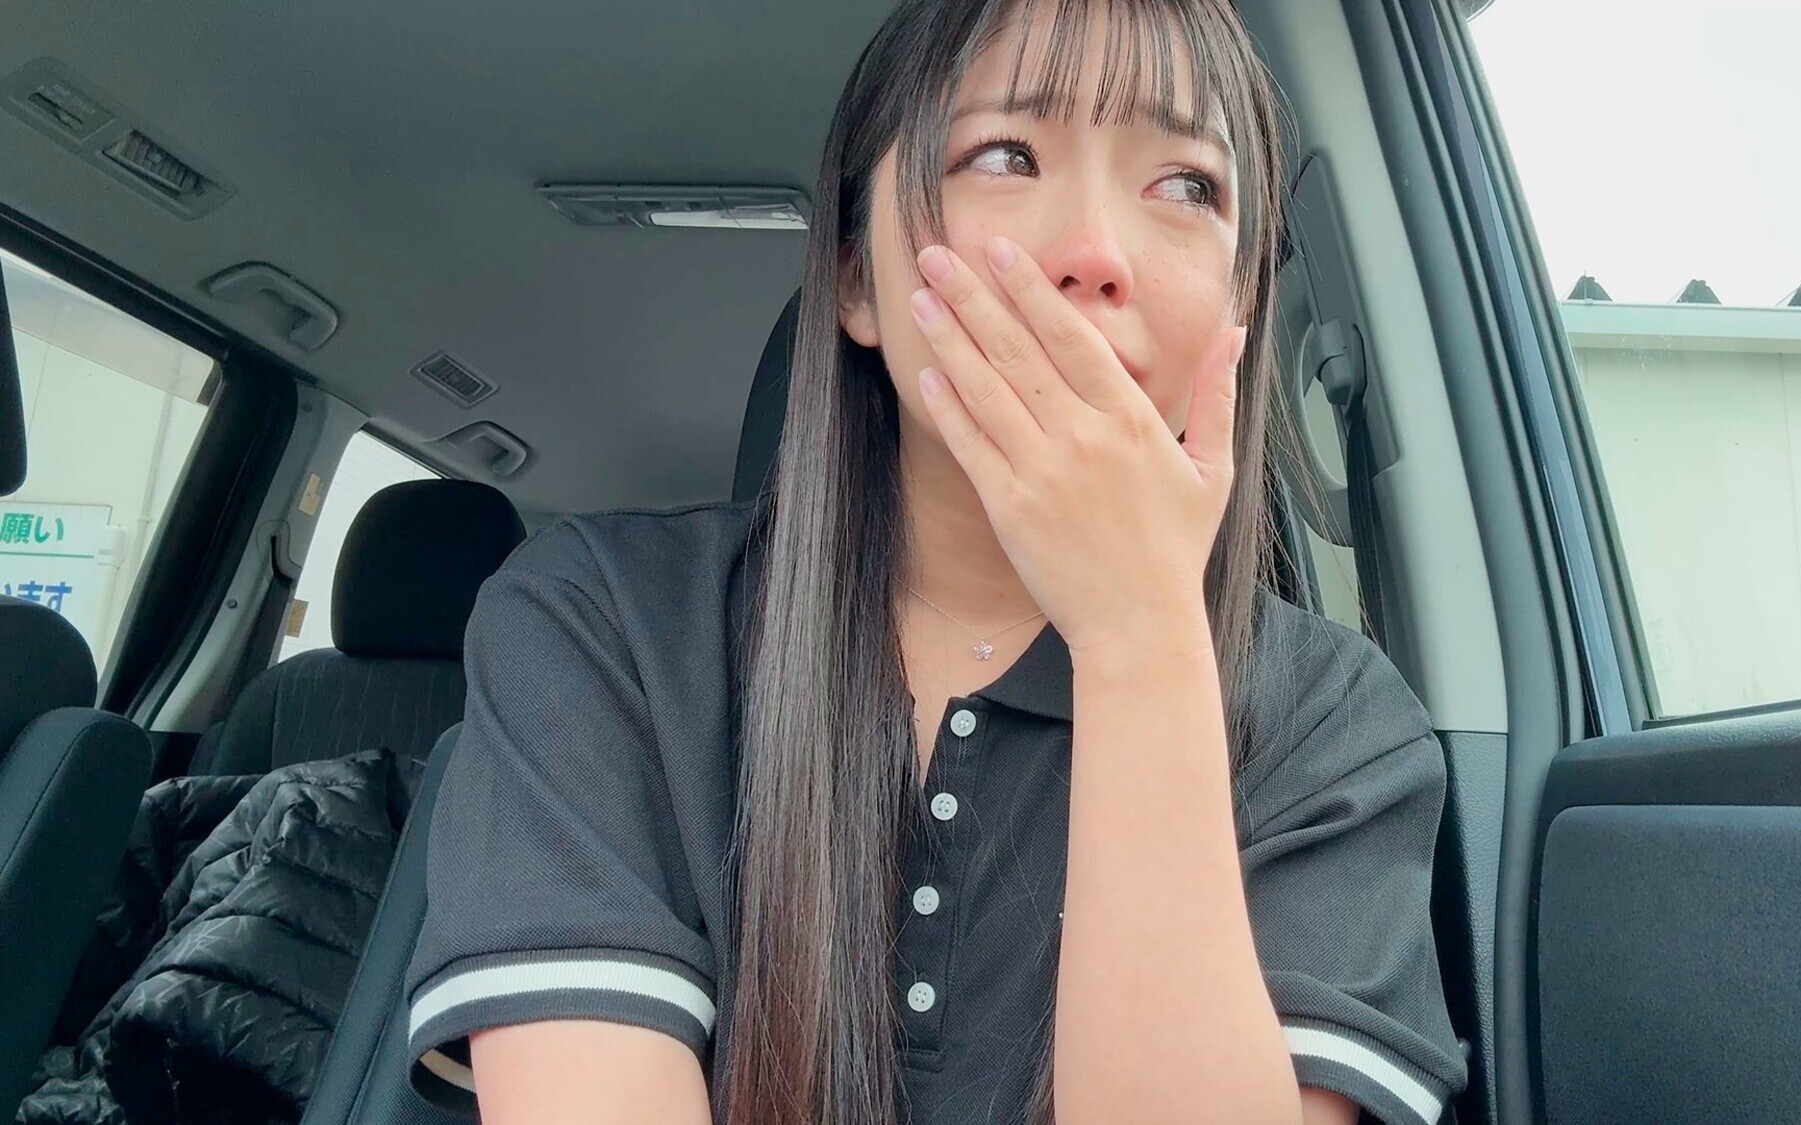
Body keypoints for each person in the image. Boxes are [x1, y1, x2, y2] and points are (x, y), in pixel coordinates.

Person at [402, 0, 1467, 1121]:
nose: (1097, 255)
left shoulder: (1335, 726)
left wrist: (1138, 638)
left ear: (1239, 303)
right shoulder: (602, 623)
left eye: (1186, 185)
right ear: (856, 282)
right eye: (1003, 155)